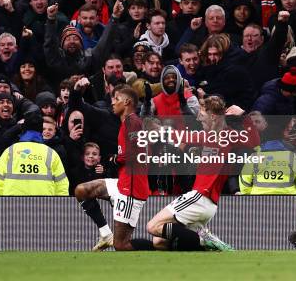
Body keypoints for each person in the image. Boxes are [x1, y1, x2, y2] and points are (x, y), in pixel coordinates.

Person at [146, 95, 259, 251]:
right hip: (207, 204)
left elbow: (254, 142)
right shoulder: (216, 136)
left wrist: (245, 117)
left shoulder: (226, 135)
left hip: (200, 197)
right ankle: (205, 242)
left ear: (213, 116)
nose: (199, 119)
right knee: (159, 241)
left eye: (202, 115)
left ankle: (203, 238)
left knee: (152, 226)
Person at [75, 85, 154, 252]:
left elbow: (134, 154)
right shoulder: (128, 123)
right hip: (122, 182)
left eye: (116, 99)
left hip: (131, 188)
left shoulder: (133, 122)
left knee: (121, 245)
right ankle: (105, 234)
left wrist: (114, 159)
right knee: (82, 190)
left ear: (127, 102)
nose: (112, 103)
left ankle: (162, 246)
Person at [0, 113, 69, 196]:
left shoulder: (10, 151)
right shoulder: (51, 153)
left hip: (12, 205)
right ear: (40, 131)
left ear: (23, 129)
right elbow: (62, 185)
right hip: (44, 205)